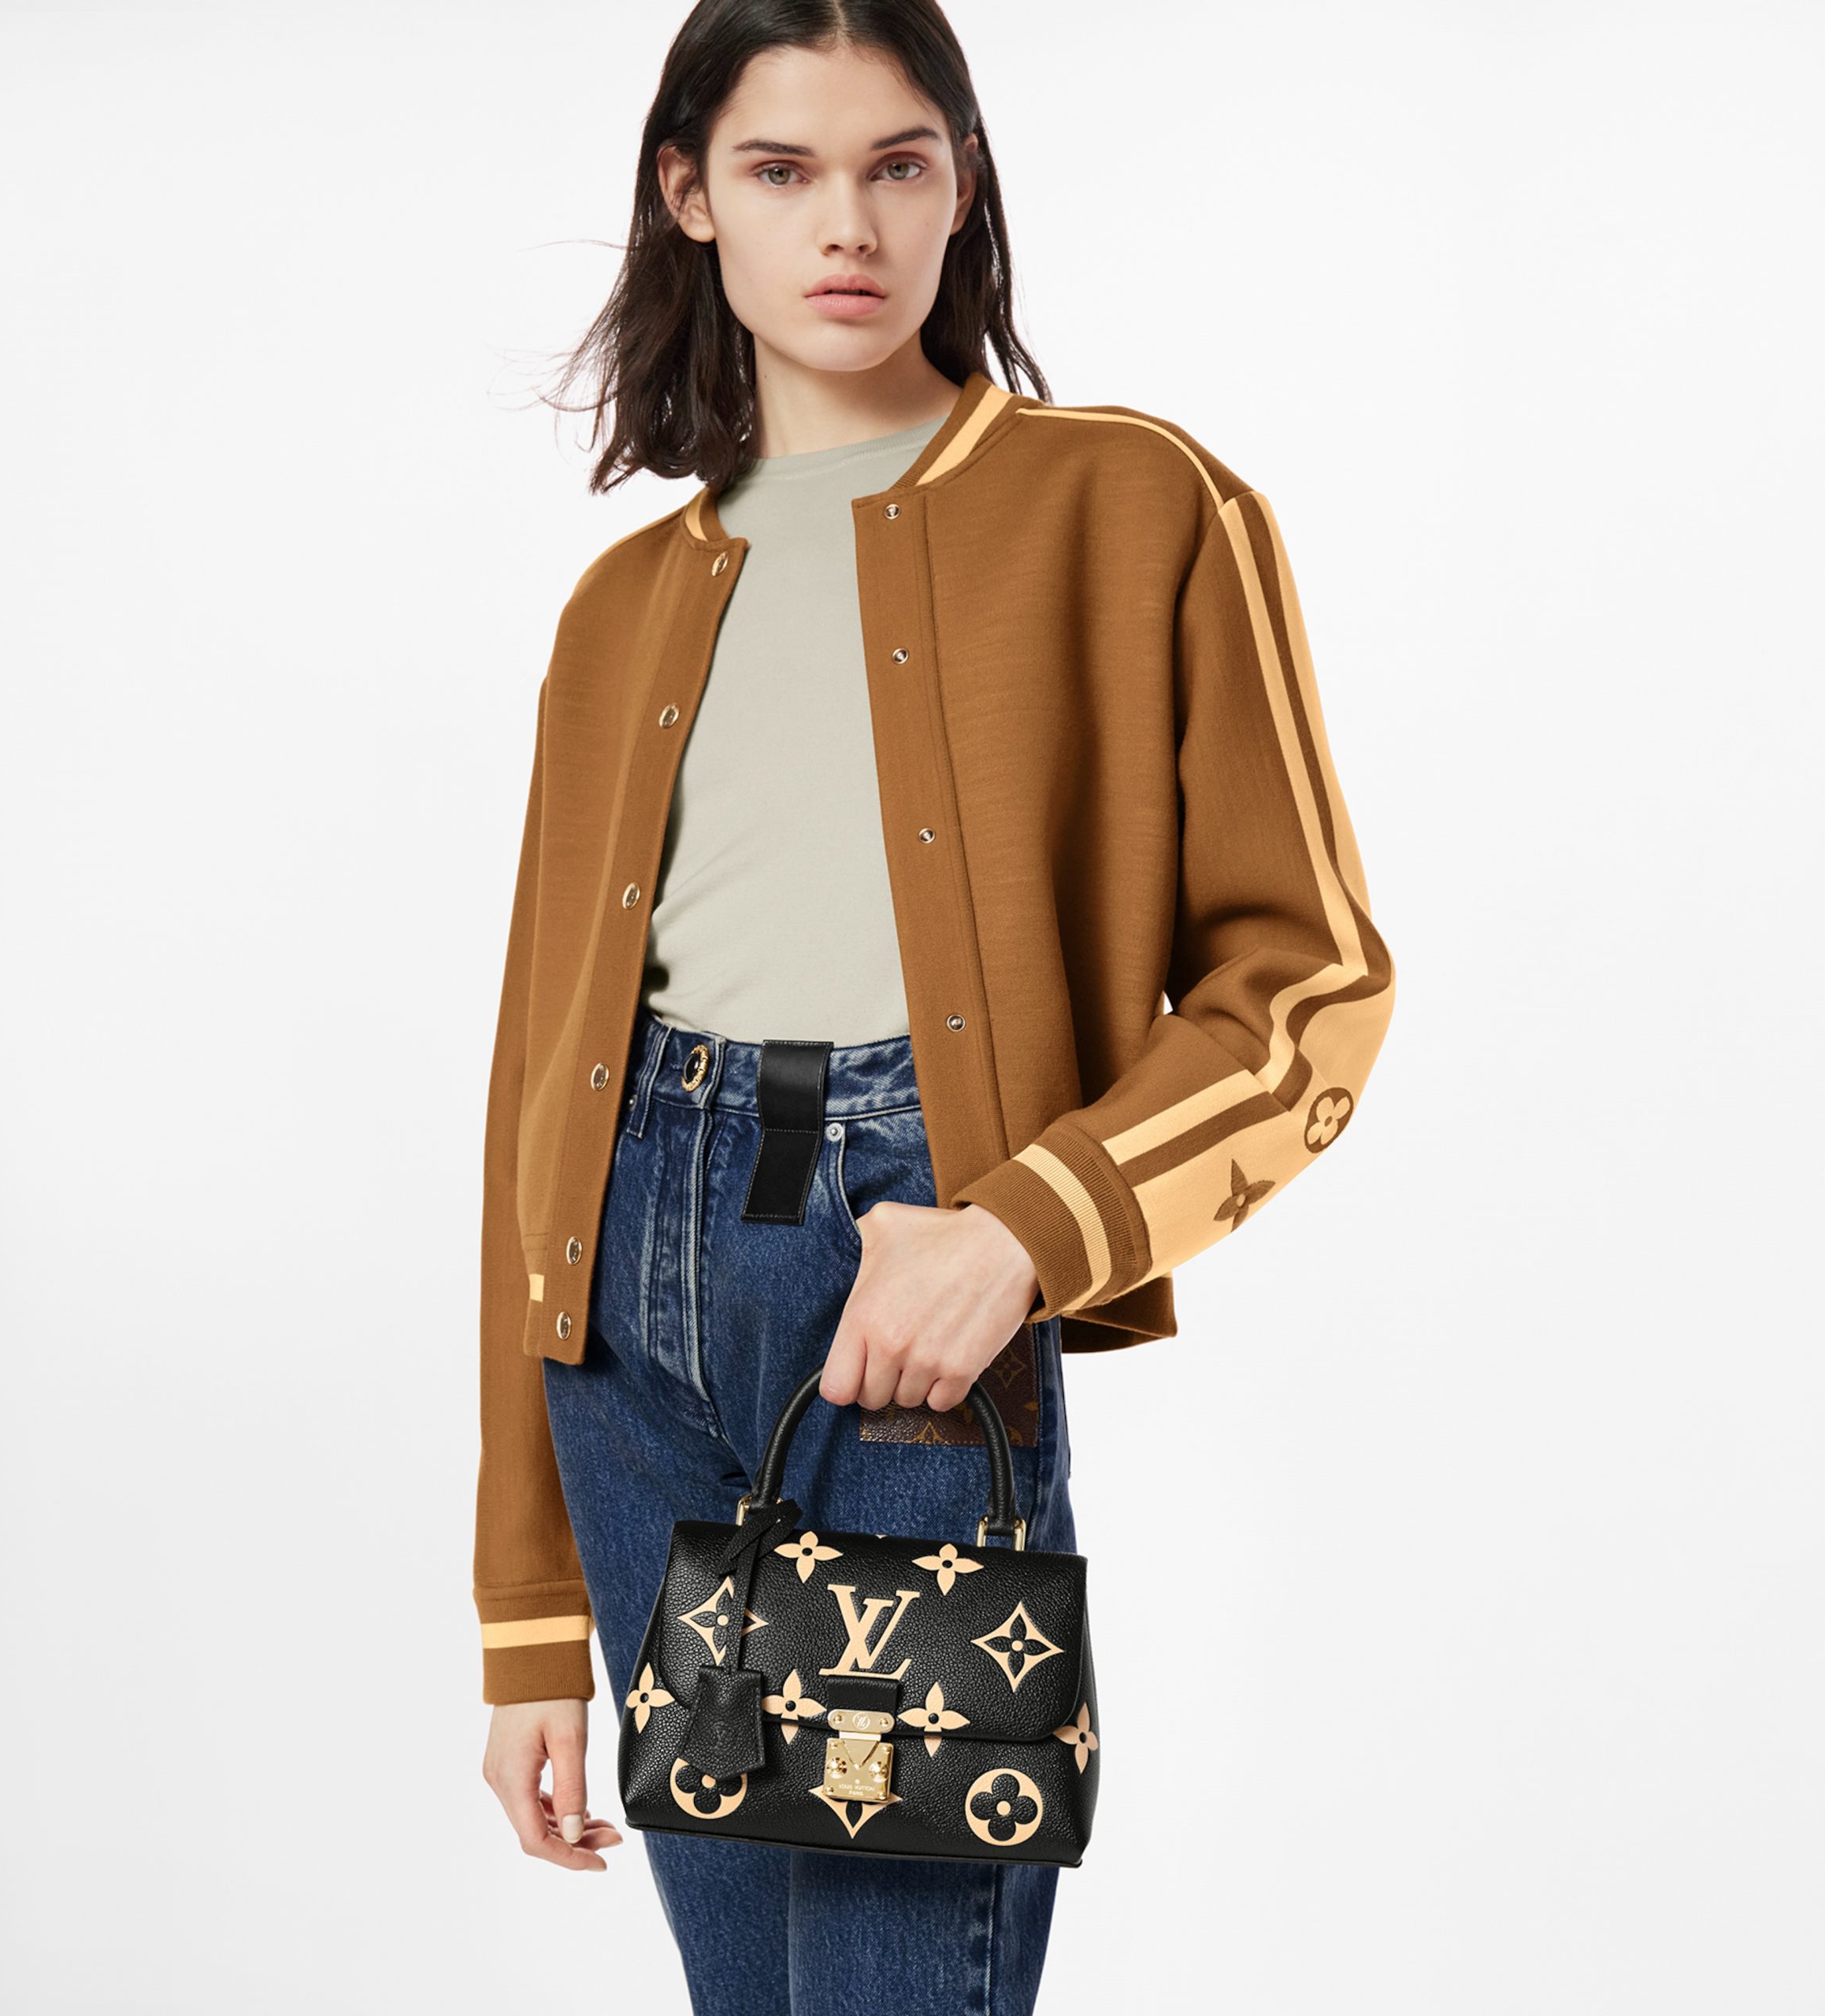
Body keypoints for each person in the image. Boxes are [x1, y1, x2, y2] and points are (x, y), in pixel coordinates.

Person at [474, 3, 1397, 2010]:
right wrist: (527, 1602)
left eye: (897, 165)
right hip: (626, 1336)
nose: (849, 225)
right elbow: (538, 1100)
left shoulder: (1130, 502)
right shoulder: (620, 605)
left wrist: (1021, 1229)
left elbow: (1305, 983)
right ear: (687, 196)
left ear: (959, 185)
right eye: (780, 170)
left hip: (901, 1305)